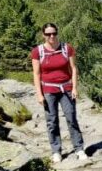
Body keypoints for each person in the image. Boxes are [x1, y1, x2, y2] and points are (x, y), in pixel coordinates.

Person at [31, 23, 86, 163]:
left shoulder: (66, 48)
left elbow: (73, 68)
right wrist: (39, 94)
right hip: (48, 90)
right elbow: (36, 74)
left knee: (71, 118)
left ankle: (79, 149)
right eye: (48, 34)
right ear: (43, 35)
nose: (52, 36)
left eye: (54, 33)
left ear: (57, 33)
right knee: (52, 121)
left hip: (66, 89)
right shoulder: (38, 51)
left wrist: (74, 87)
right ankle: (56, 151)